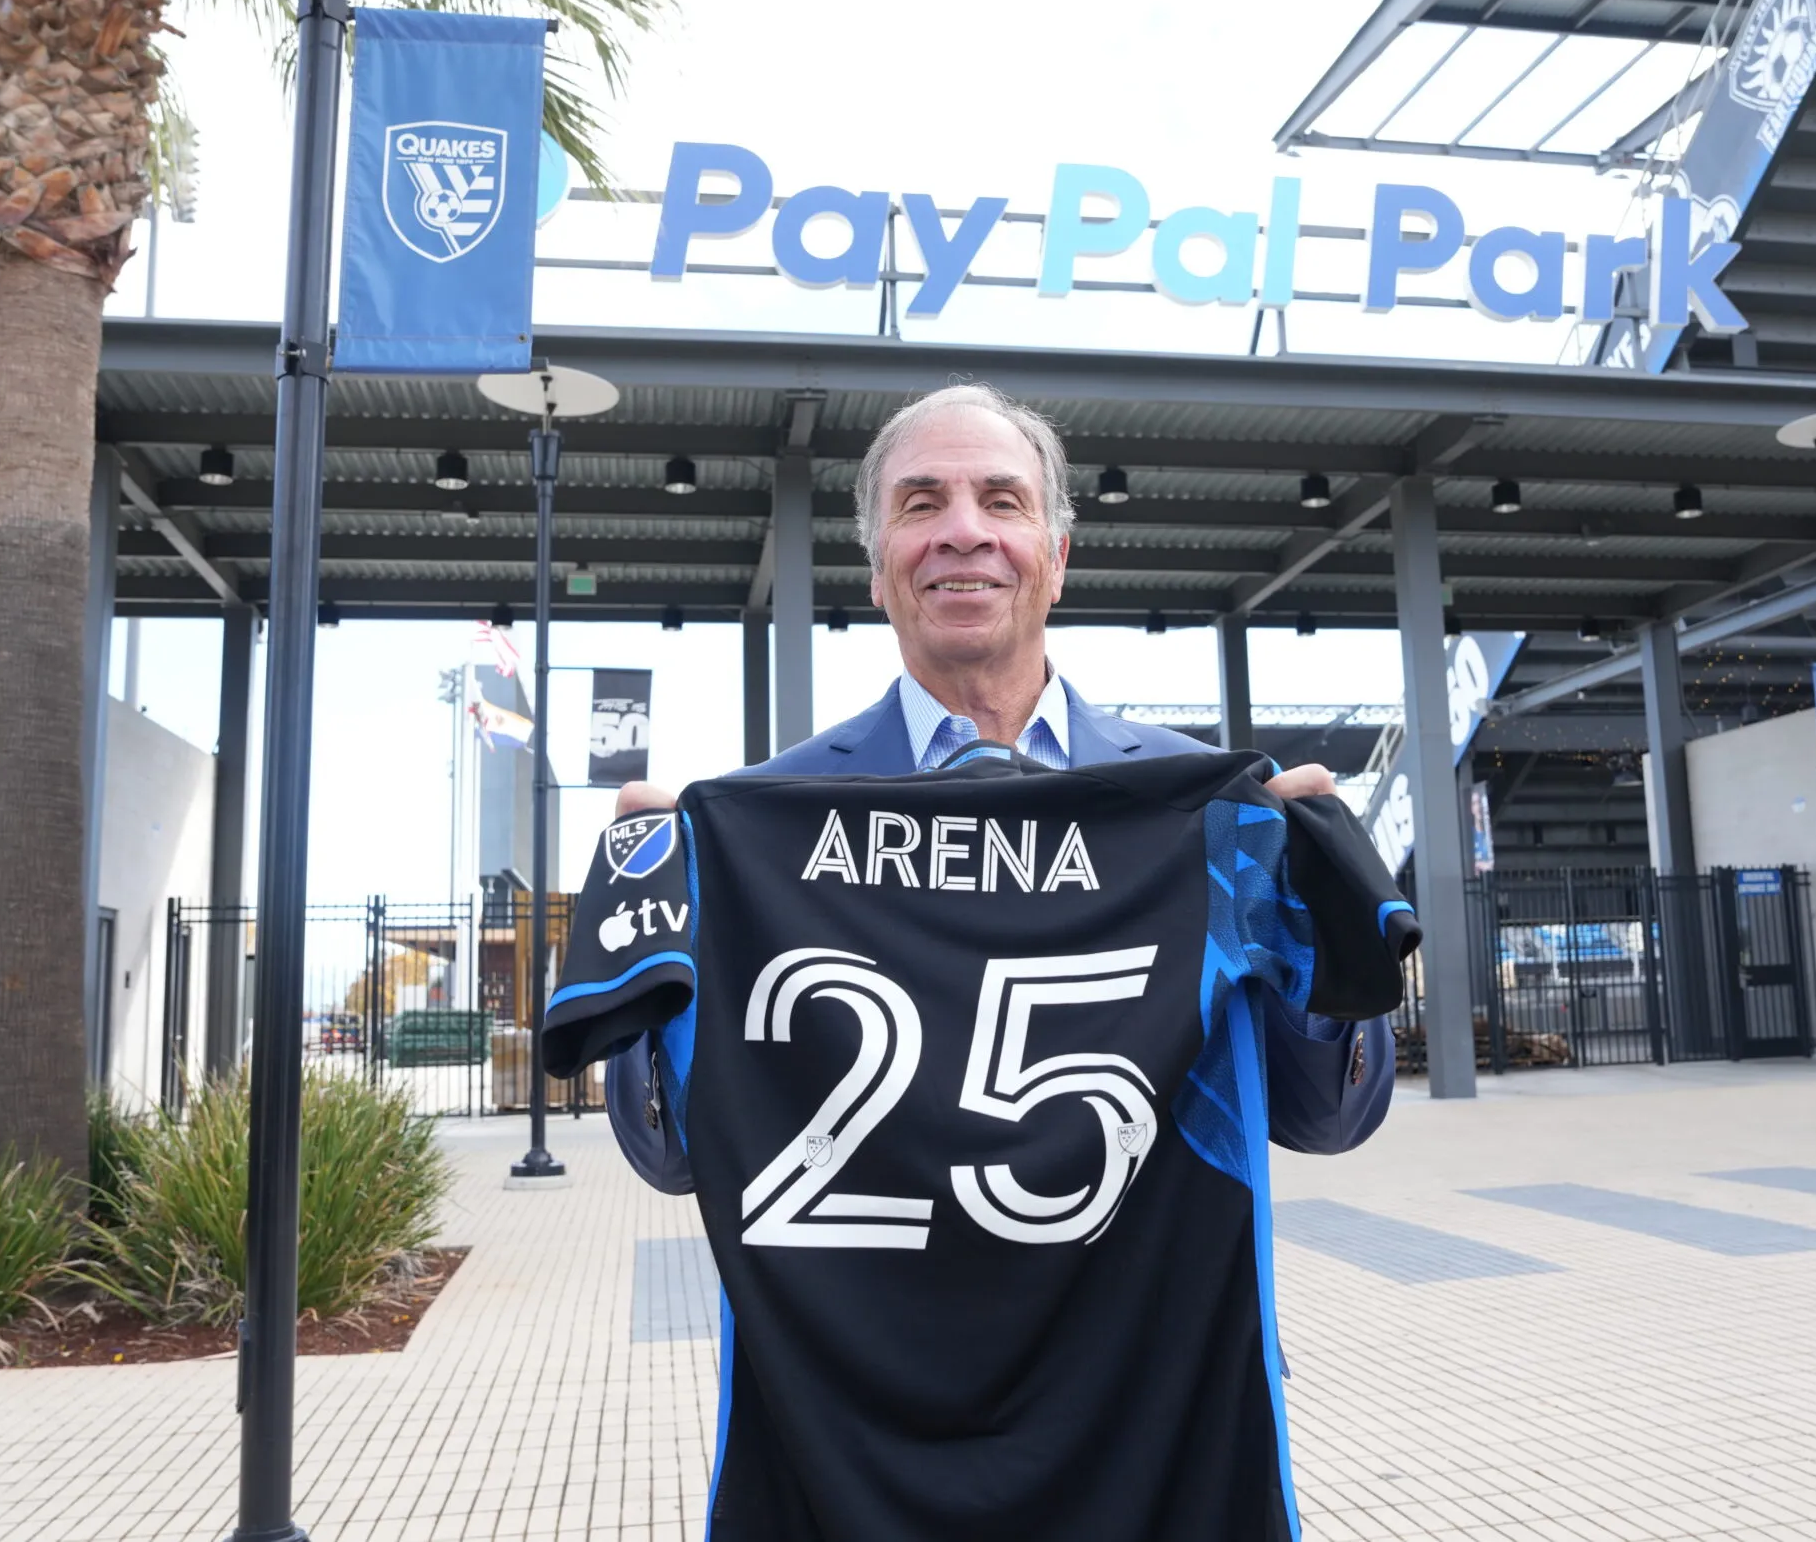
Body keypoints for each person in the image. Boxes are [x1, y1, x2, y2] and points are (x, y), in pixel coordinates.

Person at [597, 381, 1396, 1187]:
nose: (963, 532)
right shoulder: (759, 829)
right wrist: (661, 957)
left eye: (1003, 501)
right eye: (920, 504)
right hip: (867, 1312)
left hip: (1138, 1313)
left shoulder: (1207, 818)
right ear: (878, 573)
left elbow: (1326, 1120)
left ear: (1056, 562)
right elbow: (673, 1158)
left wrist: (1317, 920)